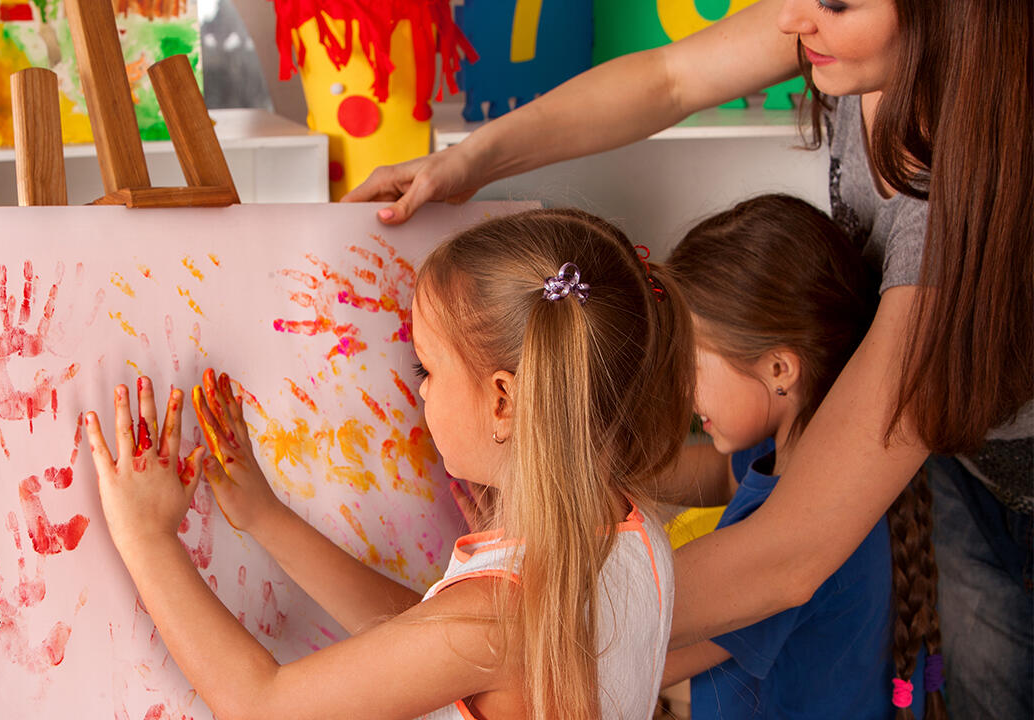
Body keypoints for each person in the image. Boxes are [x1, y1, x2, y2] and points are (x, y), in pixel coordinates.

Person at [345, 1, 1033, 716]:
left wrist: (503, 621)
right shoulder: (847, 37)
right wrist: (467, 161)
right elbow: (668, 78)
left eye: (835, 1)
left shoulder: (951, 219)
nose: (793, 17)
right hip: (958, 449)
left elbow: (788, 555)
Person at [84, 208, 694, 720]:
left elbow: (262, 707)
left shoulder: (497, 617)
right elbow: (426, 640)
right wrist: (267, 518)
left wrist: (146, 536)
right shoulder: (637, 536)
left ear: (503, 401)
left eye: (425, 369)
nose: (420, 392)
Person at [658, 194, 938, 718]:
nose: (682, 389)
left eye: (693, 365)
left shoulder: (795, 537)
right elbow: (721, 475)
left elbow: (643, 657)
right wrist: (609, 479)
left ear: (780, 370)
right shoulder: (800, 453)